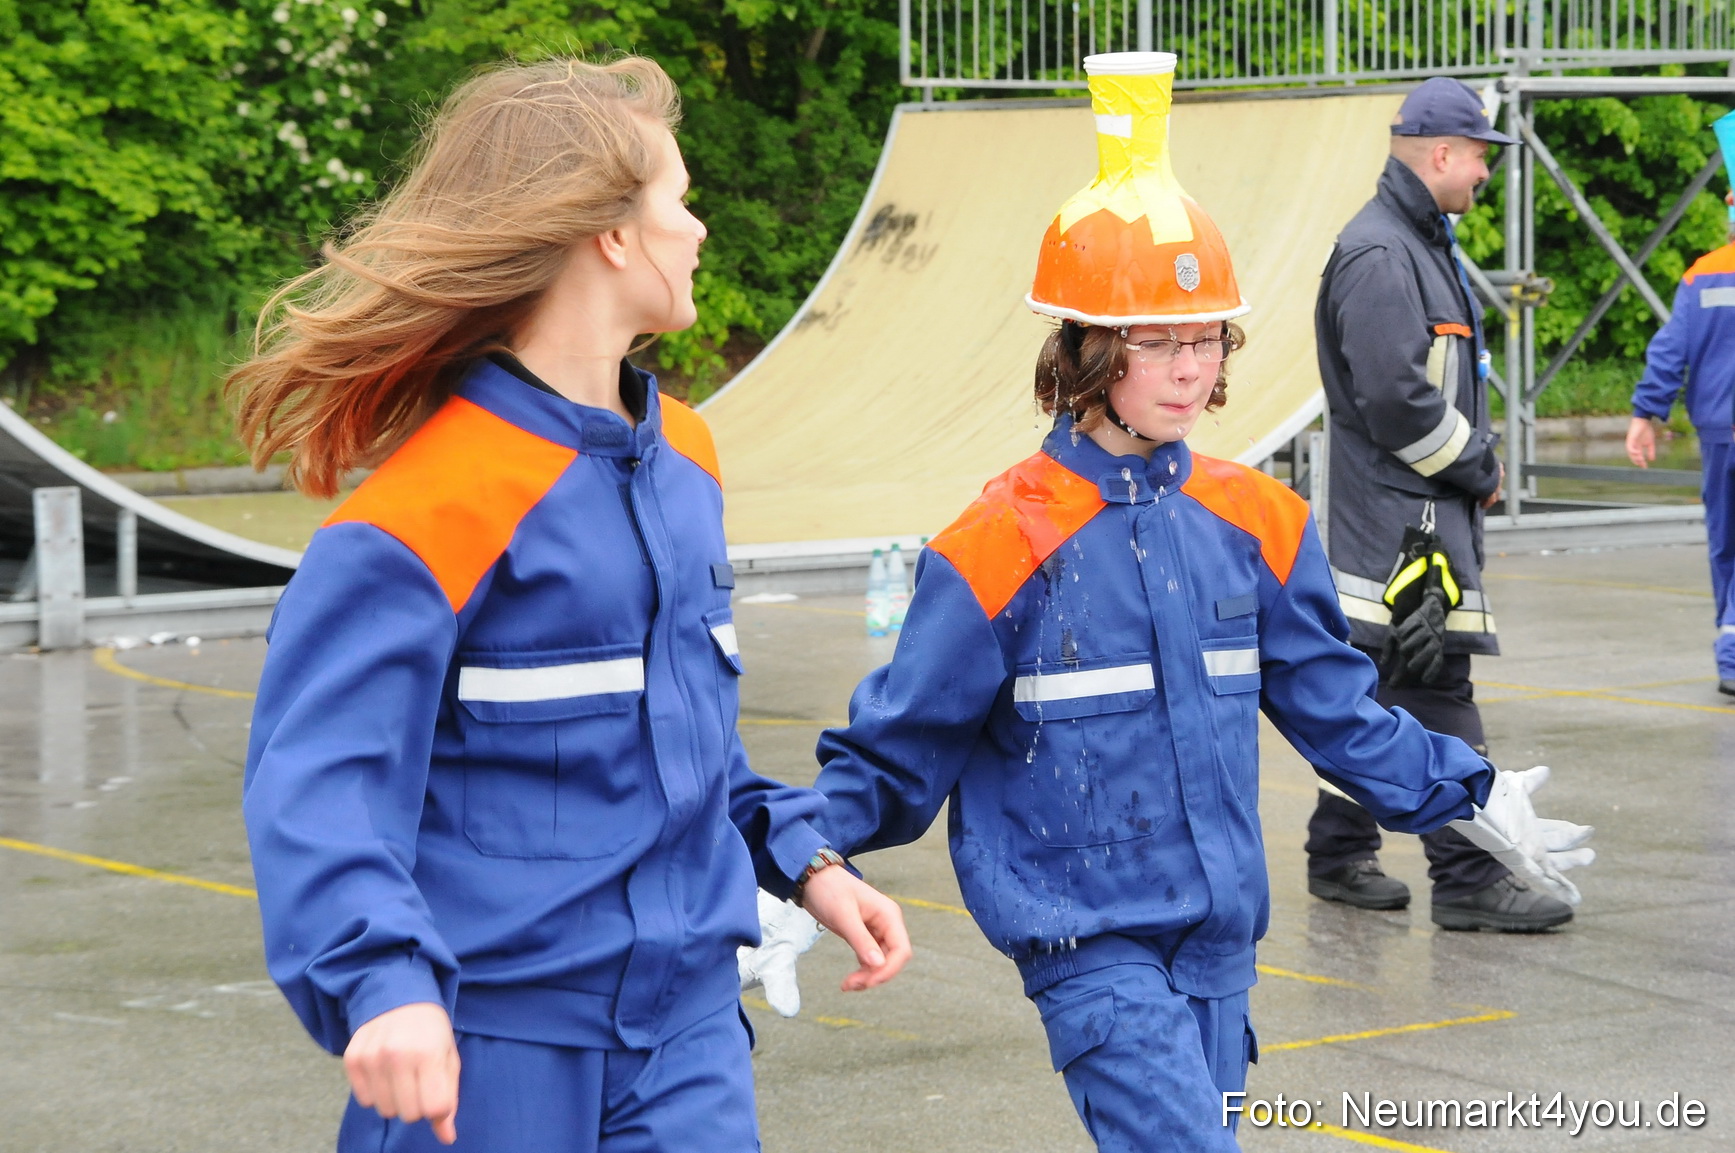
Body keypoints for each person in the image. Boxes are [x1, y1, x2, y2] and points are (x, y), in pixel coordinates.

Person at [799, 52, 1592, 1151]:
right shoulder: (997, 544)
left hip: (1222, 956)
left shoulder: (1259, 521)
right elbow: (895, 750)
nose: (1189, 368)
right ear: (1085, 350)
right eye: (1158, 341)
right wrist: (798, 858)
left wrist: (1467, 790)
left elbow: (1335, 714)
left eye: (1206, 338)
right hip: (1089, 952)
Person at [229, 57, 909, 1152]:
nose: (697, 229)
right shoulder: (425, 511)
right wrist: (383, 984)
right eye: (678, 199)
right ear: (612, 235)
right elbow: (322, 786)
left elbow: (686, 739)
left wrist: (804, 859)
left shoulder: (687, 460)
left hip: (690, 1041)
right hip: (489, 1051)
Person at [1306, 76, 1577, 931]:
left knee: (1377, 695)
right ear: (1442, 153)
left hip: (1403, 522)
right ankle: (1467, 878)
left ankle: (1336, 853)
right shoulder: (1384, 255)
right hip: (1404, 532)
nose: (1486, 174)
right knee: (1436, 685)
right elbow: (1394, 402)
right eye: (1480, 159)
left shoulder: (1412, 242)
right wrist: (1478, 466)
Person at [1626, 148, 1735, 699]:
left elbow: (1671, 350)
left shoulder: (1704, 273)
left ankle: (1732, 649)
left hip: (1720, 435)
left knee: (1726, 543)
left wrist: (1646, 413)